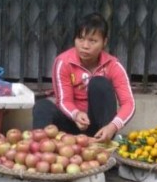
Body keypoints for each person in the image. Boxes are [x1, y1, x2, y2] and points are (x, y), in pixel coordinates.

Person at [33, 12, 135, 143]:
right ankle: (42, 151)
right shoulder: (64, 62)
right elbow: (64, 101)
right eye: (81, 39)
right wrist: (76, 114)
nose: (85, 46)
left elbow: (129, 104)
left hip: (100, 128)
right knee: (42, 106)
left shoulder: (113, 65)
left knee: (99, 83)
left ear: (104, 42)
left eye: (92, 41)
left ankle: (104, 145)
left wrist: (112, 126)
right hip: (71, 124)